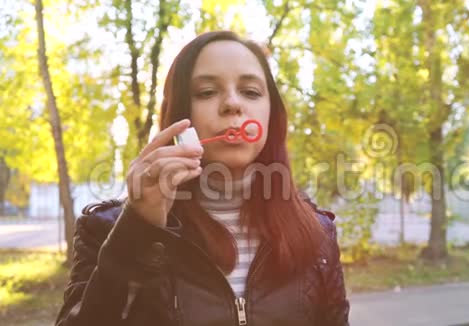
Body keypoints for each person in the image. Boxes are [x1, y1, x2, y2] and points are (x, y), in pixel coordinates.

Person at [55, 30, 350, 326]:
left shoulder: (318, 233)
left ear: (271, 117)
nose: (233, 104)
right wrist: (138, 229)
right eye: (207, 92)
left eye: (250, 91)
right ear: (180, 117)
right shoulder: (106, 230)